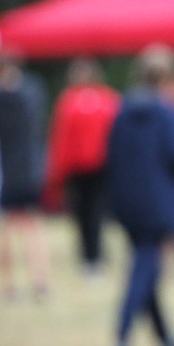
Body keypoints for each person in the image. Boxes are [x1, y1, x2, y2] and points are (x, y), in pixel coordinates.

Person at [106, 45, 174, 346]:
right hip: (159, 201)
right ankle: (122, 337)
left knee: (147, 266)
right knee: (145, 267)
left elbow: (110, 158)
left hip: (127, 203)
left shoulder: (121, 111)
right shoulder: (168, 113)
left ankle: (165, 339)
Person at [44, 57, 120, 273]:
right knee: (82, 213)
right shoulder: (72, 101)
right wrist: (58, 170)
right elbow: (61, 138)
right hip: (78, 169)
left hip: (98, 167)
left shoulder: (106, 100)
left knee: (95, 212)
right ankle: (88, 255)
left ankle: (95, 255)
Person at [0, 53, 51, 300]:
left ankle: (8, 285)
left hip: (9, 170)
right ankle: (40, 280)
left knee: (8, 226)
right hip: (31, 169)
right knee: (33, 226)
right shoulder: (32, 93)